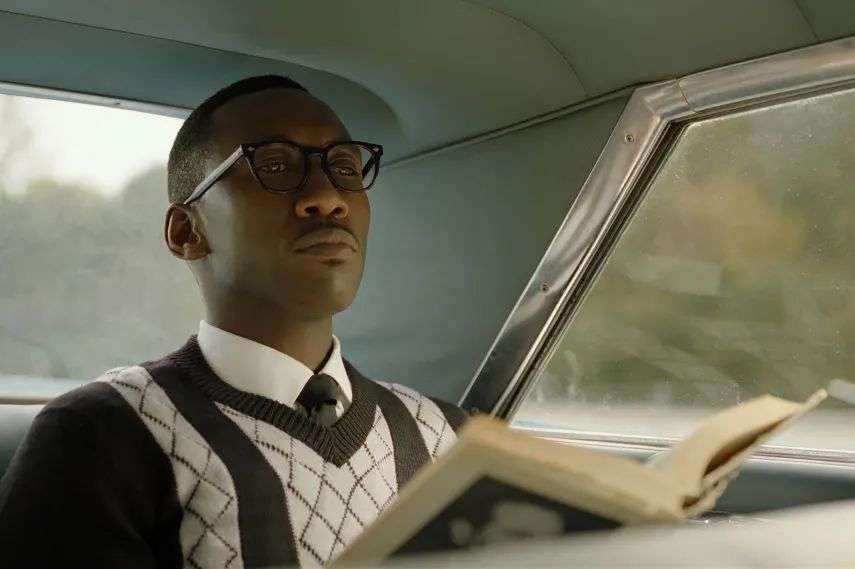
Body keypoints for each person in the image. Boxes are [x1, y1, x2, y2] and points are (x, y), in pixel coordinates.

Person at [0, 75, 468, 568]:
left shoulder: (449, 437)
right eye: (274, 166)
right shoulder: (101, 436)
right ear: (187, 232)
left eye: (345, 168)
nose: (328, 196)